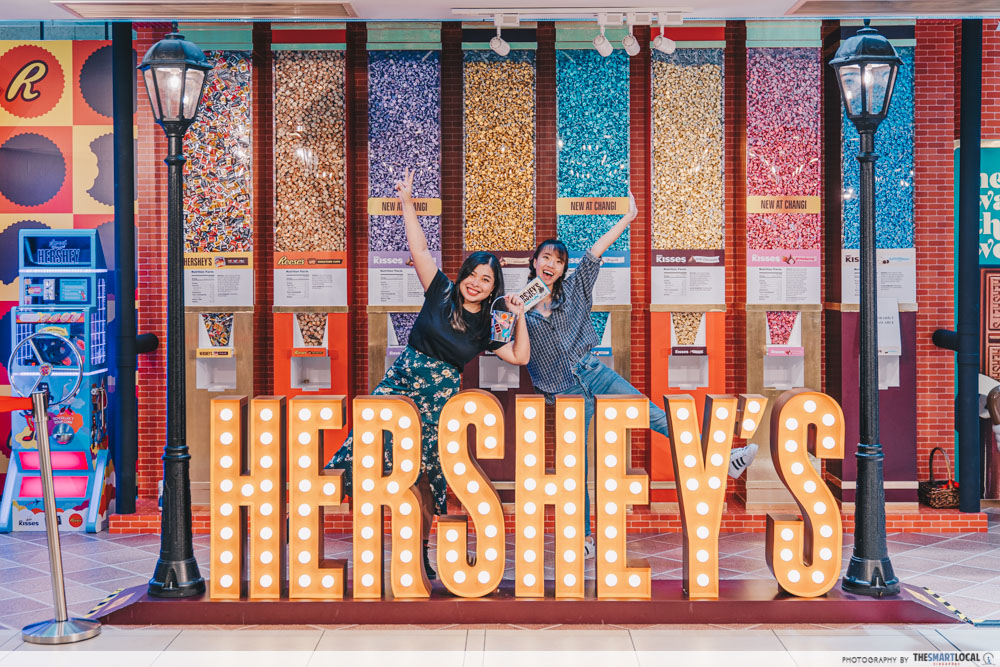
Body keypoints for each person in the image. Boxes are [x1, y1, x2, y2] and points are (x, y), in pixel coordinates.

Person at [523, 191, 756, 558]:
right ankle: (584, 537)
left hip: (593, 372)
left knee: (656, 416)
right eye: (546, 257)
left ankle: (723, 458)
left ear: (564, 268)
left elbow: (594, 253)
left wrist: (626, 219)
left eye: (558, 260)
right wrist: (512, 314)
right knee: (577, 467)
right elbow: (509, 350)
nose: (551, 264)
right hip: (564, 393)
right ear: (534, 261)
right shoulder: (517, 305)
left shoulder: (574, 289)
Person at [326, 168, 530, 579]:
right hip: (403, 381)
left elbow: (520, 358)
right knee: (359, 446)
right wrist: (406, 202)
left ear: (494, 288)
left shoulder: (492, 324)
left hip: (439, 399)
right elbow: (419, 248)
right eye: (473, 274)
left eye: (486, 279)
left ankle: (419, 552)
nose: (476, 282)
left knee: (423, 476)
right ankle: (306, 522)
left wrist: (520, 315)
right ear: (463, 274)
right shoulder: (439, 290)